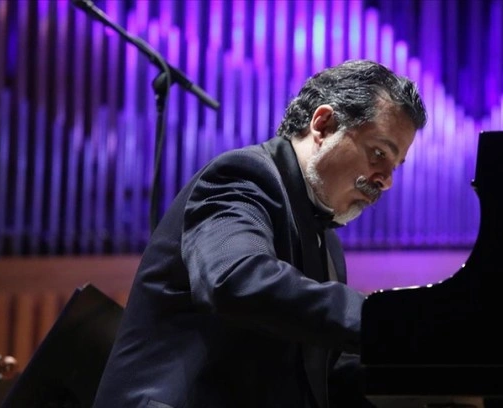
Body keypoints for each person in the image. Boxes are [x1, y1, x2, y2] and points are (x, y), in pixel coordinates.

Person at [92, 59, 427, 408]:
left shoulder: (326, 241)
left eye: (394, 167)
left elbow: (321, 377)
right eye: (378, 154)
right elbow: (234, 279)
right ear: (324, 124)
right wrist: (383, 320)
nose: (386, 181)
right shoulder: (244, 177)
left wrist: (434, 375)